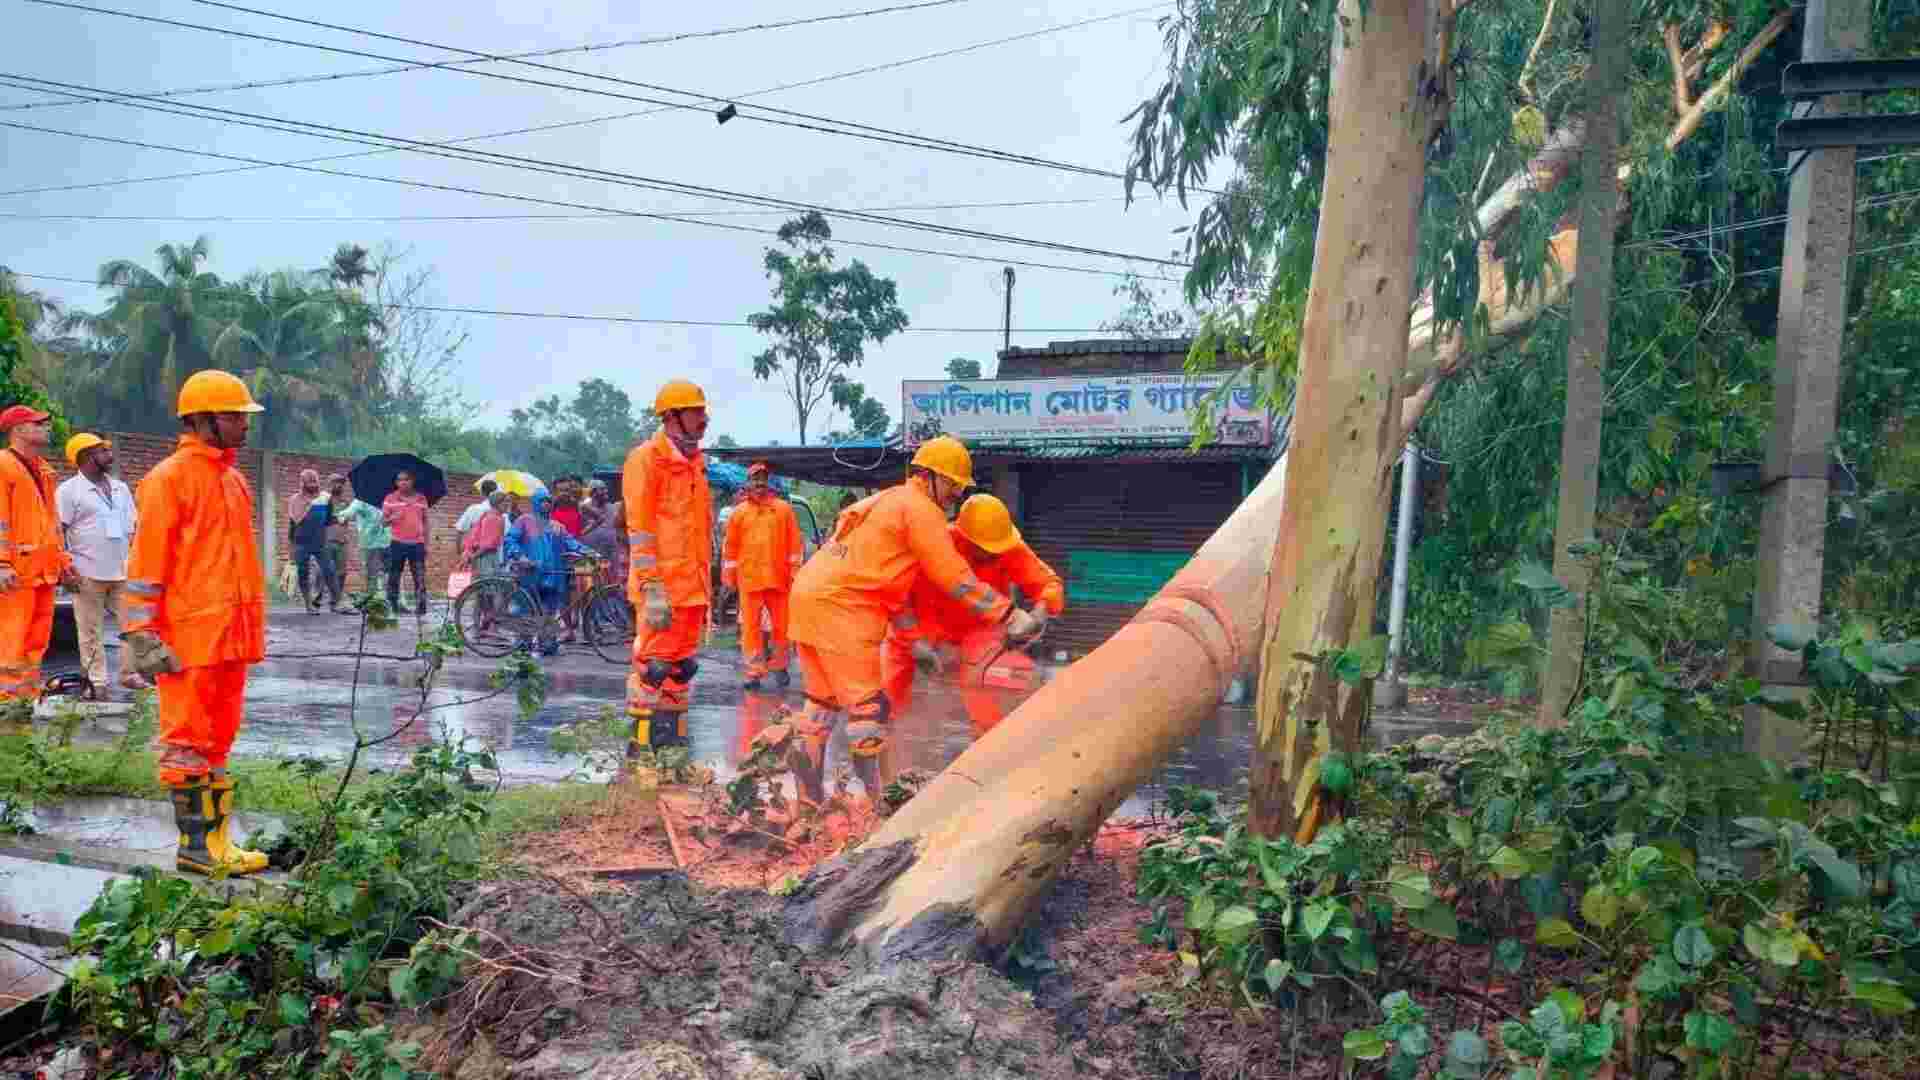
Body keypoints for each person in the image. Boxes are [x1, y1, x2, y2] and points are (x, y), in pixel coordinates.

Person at [778, 436, 1040, 803]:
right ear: (933, 477)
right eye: (954, 486)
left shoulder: (885, 500)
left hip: (811, 595)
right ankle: (879, 803)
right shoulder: (922, 511)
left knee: (822, 703)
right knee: (871, 709)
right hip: (844, 607)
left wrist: (914, 640)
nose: (955, 497)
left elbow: (894, 590)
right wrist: (1009, 614)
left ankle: (808, 799)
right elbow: (954, 577)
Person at [120, 370, 270, 875]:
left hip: (232, 636)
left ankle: (219, 846)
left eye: (244, 416)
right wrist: (140, 633)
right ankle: (194, 848)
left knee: (218, 742)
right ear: (202, 420)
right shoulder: (167, 479)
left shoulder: (233, 480)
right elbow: (145, 565)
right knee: (186, 742)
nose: (244, 426)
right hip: (188, 639)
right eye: (233, 416)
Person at [882, 493, 1066, 738]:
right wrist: (916, 643)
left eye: (997, 550)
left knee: (987, 694)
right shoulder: (932, 545)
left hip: (978, 634)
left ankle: (987, 744)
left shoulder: (1006, 546)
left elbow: (1049, 583)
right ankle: (876, 748)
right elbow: (896, 597)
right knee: (880, 700)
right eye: (985, 550)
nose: (993, 555)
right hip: (918, 630)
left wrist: (1039, 614)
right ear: (963, 535)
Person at [623, 379, 713, 758]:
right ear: (672, 416)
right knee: (653, 667)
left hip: (693, 587)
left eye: (704, 412)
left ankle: (674, 750)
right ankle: (639, 748)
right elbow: (640, 528)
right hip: (661, 588)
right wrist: (650, 585)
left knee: (681, 669)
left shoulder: (696, 464)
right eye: (696, 412)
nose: (704, 419)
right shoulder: (646, 459)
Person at [55, 433, 146, 700]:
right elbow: (58, 531)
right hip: (86, 574)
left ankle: (129, 674)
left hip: (123, 572)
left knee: (135, 624)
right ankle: (97, 682)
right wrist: (65, 567)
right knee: (90, 632)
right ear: (86, 457)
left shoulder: (120, 488)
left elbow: (133, 528)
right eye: (103, 450)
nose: (110, 455)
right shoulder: (69, 492)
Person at [0, 404, 72, 731]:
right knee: (11, 647)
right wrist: (1, 563)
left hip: (42, 574)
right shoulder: (4, 466)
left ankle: (22, 711)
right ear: (18, 430)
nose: (46, 427)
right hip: (15, 575)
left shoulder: (43, 470)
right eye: (38, 423)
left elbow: (51, 524)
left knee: (33, 648)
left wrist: (63, 562)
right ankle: (6, 712)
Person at [721, 462, 803, 691]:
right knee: (751, 629)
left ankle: (780, 666)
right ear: (748, 484)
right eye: (755, 480)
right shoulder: (739, 513)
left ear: (767, 482)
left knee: (782, 627)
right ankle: (753, 672)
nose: (759, 484)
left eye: (762, 479)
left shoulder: (783, 510)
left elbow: (795, 545)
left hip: (779, 579)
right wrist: (729, 578)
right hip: (750, 580)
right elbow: (731, 549)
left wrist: (795, 573)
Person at [502, 490, 594, 656]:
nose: (546, 504)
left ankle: (548, 642)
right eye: (542, 501)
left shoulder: (556, 525)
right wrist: (520, 556)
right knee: (526, 608)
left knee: (550, 609)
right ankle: (524, 642)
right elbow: (510, 540)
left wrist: (590, 553)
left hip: (552, 574)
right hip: (529, 572)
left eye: (548, 501)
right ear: (535, 502)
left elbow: (571, 542)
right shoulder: (524, 521)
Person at [285, 468, 339, 614]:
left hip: (321, 542)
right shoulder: (294, 500)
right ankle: (309, 605)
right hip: (301, 542)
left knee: (329, 571)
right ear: (302, 483)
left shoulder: (325, 498)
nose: (313, 484)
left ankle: (336, 603)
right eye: (309, 482)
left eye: (315, 481)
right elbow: (292, 525)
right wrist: (290, 547)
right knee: (303, 573)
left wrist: (330, 538)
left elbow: (329, 520)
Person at [381, 470, 430, 615]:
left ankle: (421, 608)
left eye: (406, 479)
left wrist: (426, 544)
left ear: (412, 481)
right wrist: (392, 518)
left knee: (419, 577)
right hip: (397, 543)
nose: (403, 482)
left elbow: (426, 522)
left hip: (417, 544)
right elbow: (383, 522)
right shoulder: (390, 498)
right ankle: (392, 607)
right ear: (396, 483)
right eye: (399, 480)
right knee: (394, 577)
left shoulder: (421, 499)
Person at [335, 489, 391, 600]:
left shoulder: (387, 499)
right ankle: (373, 601)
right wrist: (339, 517)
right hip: (370, 543)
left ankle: (396, 600)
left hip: (388, 541)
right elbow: (347, 513)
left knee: (393, 572)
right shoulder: (361, 501)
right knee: (372, 574)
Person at [454, 478, 498, 567]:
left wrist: (459, 553)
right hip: (494, 555)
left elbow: (460, 531)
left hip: (473, 553)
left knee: (475, 579)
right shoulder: (501, 513)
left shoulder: (474, 509)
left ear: (482, 492)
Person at [324, 474, 352, 608]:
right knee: (327, 571)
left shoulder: (346, 502)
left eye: (341, 483)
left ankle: (336, 600)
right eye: (335, 482)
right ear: (330, 484)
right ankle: (318, 599)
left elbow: (346, 520)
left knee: (342, 572)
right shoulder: (324, 501)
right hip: (327, 540)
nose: (338, 485)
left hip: (342, 541)